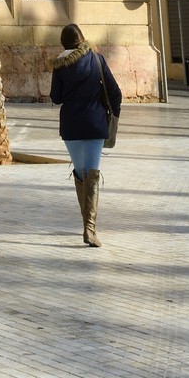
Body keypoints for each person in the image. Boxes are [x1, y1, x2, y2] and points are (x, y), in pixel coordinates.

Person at [50, 23, 122, 247]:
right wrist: (113, 115)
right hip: (94, 123)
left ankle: (87, 226)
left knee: (82, 173)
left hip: (71, 125)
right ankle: (89, 230)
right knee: (92, 173)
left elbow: (56, 97)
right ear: (82, 40)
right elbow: (115, 92)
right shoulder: (97, 60)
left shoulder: (60, 65)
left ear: (64, 44)